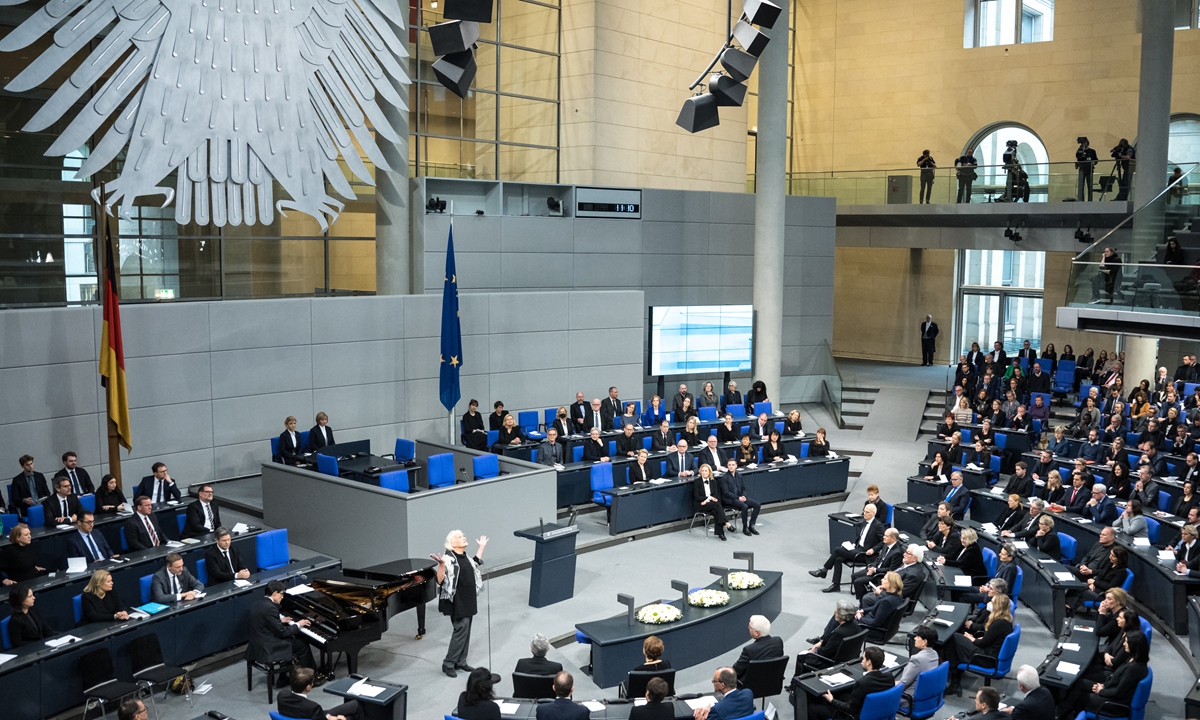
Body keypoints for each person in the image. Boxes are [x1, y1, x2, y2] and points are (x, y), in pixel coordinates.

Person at [432, 530, 487, 678]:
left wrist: (481, 548)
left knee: (466, 631)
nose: (463, 538)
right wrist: (441, 565)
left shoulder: (465, 557)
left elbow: (474, 564)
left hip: (468, 599)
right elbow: (439, 580)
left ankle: (461, 661)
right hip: (458, 602)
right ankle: (448, 663)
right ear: (452, 543)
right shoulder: (448, 558)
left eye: (463, 536)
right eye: (459, 537)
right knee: (460, 631)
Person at [248, 580, 318, 684]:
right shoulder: (271, 608)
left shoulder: (257, 603)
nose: (283, 597)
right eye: (282, 593)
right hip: (268, 647)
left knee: (291, 639)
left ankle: (283, 677)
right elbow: (282, 632)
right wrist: (298, 624)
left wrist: (279, 621)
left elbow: (262, 621)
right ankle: (312, 678)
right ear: (274, 593)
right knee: (302, 644)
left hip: (257, 643)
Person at [944, 592, 1013, 694]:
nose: (989, 603)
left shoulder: (998, 623)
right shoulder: (1005, 621)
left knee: (953, 637)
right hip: (990, 652)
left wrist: (971, 638)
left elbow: (982, 643)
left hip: (985, 658)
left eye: (992, 602)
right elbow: (990, 638)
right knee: (957, 639)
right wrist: (975, 638)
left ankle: (955, 682)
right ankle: (956, 675)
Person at [805, 646, 893, 720]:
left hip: (854, 716)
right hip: (877, 710)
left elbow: (850, 709)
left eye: (863, 658)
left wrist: (831, 700)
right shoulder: (889, 676)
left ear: (869, 662)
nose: (862, 661)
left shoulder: (862, 683)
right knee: (842, 694)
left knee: (812, 709)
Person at [811, 503, 883, 592]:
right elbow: (861, 537)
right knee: (838, 559)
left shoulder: (878, 525)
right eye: (864, 511)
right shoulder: (864, 522)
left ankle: (824, 570)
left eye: (867, 512)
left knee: (837, 550)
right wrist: (854, 544)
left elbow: (883, 541)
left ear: (873, 514)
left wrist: (873, 549)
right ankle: (836, 585)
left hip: (865, 554)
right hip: (857, 549)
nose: (864, 513)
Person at [797, 599, 860, 671]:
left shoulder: (839, 633)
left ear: (841, 616)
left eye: (836, 612)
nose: (834, 613)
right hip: (849, 657)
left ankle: (797, 681)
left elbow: (825, 653)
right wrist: (821, 642)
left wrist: (815, 650)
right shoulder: (856, 625)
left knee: (802, 656)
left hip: (832, 662)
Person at [282, 666, 363, 720]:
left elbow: (315, 713)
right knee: (352, 715)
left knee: (354, 705)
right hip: (313, 715)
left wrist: (328, 716)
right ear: (308, 687)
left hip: (307, 715)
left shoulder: (282, 695)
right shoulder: (312, 707)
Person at [851, 528, 904, 599]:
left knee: (858, 582)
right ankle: (862, 596)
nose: (883, 537)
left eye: (886, 536)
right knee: (854, 576)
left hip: (881, 575)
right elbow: (878, 558)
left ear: (893, 539)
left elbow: (892, 570)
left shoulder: (897, 552)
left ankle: (863, 602)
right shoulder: (886, 545)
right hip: (875, 569)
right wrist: (872, 567)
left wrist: (875, 570)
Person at [731, 615, 784, 681]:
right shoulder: (778, 641)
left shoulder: (749, 650)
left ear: (757, 633)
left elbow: (736, 672)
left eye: (750, 628)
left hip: (750, 686)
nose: (748, 629)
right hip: (773, 683)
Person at [896, 626, 940, 705]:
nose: (915, 638)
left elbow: (903, 684)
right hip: (925, 695)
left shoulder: (917, 659)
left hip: (909, 698)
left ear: (924, 642)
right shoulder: (935, 654)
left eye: (918, 637)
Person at [720, 458, 761, 536]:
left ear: (736, 466)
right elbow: (726, 493)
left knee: (757, 504)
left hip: (740, 497)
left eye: (733, 465)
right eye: (729, 465)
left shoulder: (739, 476)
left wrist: (744, 496)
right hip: (730, 499)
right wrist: (738, 498)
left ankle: (751, 525)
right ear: (727, 466)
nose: (731, 467)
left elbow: (743, 488)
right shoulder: (724, 478)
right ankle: (745, 527)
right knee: (744, 506)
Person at [694, 464, 733, 540]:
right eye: (702, 471)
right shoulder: (697, 482)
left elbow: (715, 494)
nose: (704, 472)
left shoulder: (713, 481)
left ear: (709, 472)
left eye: (706, 471)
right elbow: (697, 497)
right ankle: (727, 523)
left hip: (711, 503)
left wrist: (710, 499)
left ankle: (721, 533)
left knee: (716, 510)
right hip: (701, 505)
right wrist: (708, 498)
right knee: (717, 505)